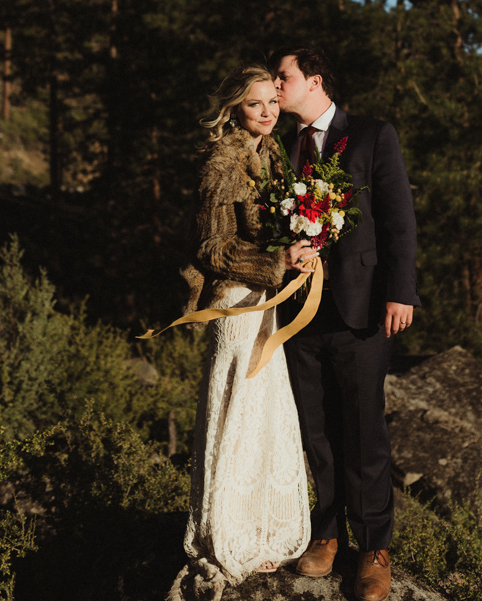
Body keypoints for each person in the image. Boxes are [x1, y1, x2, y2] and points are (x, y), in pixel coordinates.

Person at [270, 46, 418, 601]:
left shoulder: (374, 134)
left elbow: (399, 220)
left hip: (360, 310)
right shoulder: (278, 147)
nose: (276, 87)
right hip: (297, 311)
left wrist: (400, 292)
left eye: (283, 77)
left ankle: (374, 549)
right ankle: (327, 536)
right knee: (316, 429)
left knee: (364, 432)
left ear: (314, 80)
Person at [171, 65, 316, 601]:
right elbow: (212, 250)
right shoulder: (223, 163)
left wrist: (303, 243)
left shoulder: (270, 156)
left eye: (272, 102)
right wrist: (280, 259)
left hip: (265, 302)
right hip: (234, 304)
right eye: (256, 104)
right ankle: (228, 532)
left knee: (265, 405)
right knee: (239, 403)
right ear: (235, 108)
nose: (268, 111)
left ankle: (262, 528)